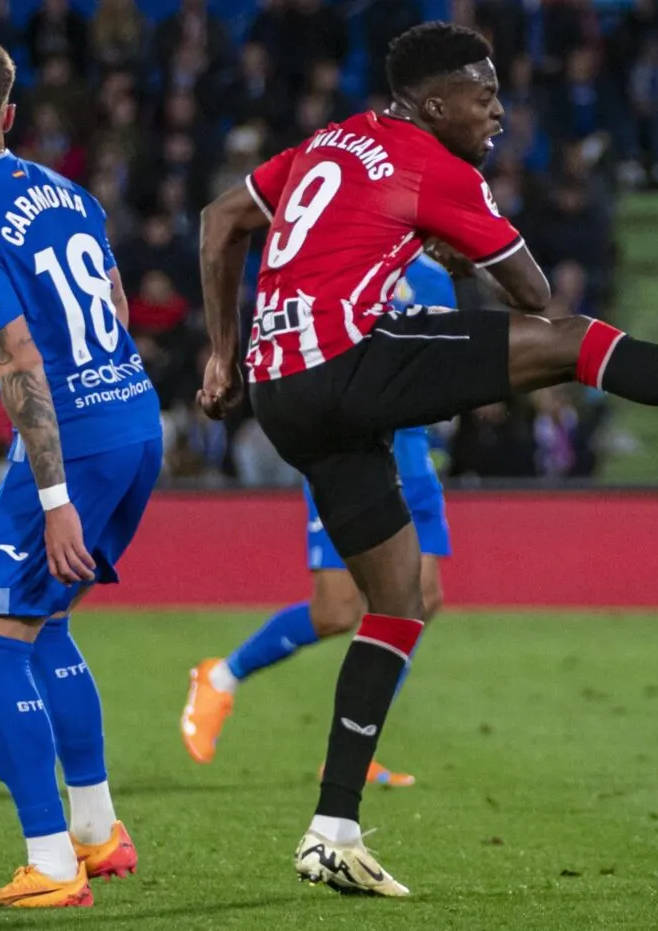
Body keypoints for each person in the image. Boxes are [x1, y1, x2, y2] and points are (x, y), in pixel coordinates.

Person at [194, 22, 658, 897]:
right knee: (572, 338)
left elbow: (220, 219)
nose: (498, 106)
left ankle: (332, 828)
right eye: (481, 91)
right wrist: (457, 242)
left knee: (399, 597)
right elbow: (534, 297)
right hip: (351, 360)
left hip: (281, 394)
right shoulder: (433, 167)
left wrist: (223, 353)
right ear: (431, 103)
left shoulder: (327, 142)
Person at [0, 36, 163, 909]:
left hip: (77, 442)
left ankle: (52, 864)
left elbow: (26, 357)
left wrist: (55, 499)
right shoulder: (71, 192)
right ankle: (98, 833)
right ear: (10, 116)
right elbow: (111, 312)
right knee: (46, 623)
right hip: (136, 419)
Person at [181, 250, 457, 786]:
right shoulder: (342, 260)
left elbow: (442, 367)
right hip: (350, 459)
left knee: (421, 603)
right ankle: (222, 675)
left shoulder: (433, 278)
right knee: (335, 611)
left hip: (414, 459)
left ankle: (352, 752)